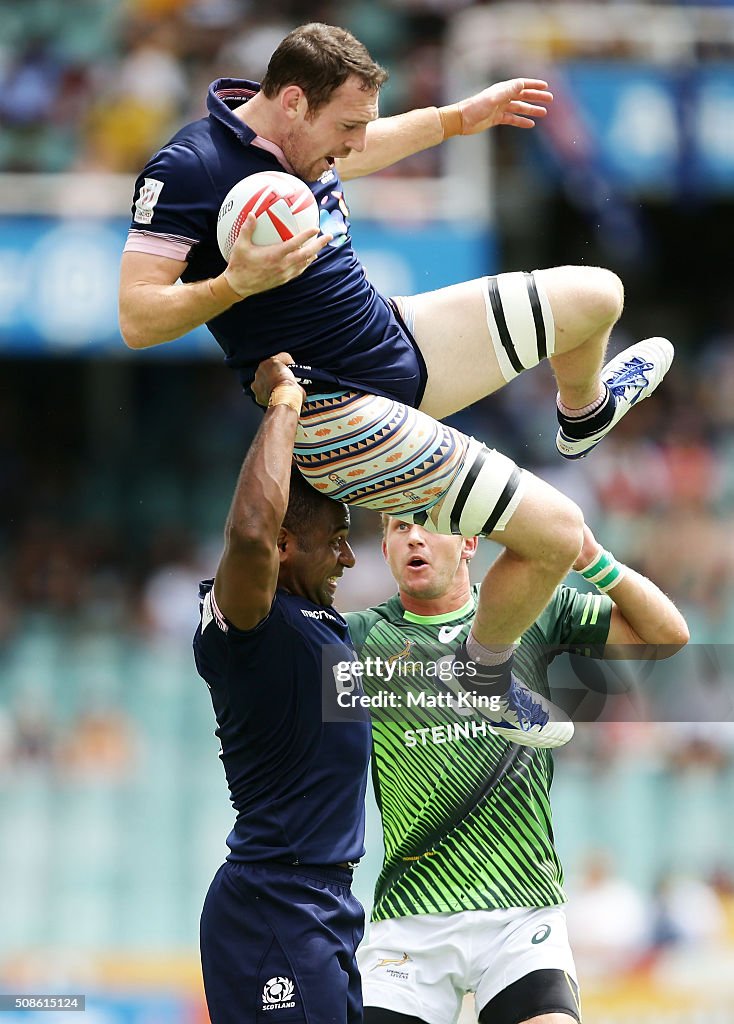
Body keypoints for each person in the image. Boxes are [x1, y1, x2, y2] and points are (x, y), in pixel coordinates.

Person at [122, 22, 673, 670]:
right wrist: (232, 284)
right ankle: (486, 676)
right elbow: (138, 318)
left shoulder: (304, 141)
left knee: (597, 296)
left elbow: (361, 147)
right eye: (347, 126)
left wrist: (455, 120)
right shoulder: (189, 169)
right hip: (336, 411)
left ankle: (583, 416)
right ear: (294, 102)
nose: (354, 144)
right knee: (557, 533)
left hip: (394, 340)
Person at [192, 357, 580, 1024]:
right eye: (335, 542)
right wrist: (284, 404)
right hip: (274, 899)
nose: (349, 558)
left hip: (327, 902)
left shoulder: (327, 627)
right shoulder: (252, 625)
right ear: (284, 546)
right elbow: (250, 533)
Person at [345, 516, 689, 1024]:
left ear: (468, 543)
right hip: (409, 918)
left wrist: (595, 561)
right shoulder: (358, 640)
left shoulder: (529, 608)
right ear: (385, 548)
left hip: (520, 910)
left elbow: (667, 635)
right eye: (399, 528)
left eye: (428, 525)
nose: (414, 537)